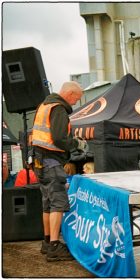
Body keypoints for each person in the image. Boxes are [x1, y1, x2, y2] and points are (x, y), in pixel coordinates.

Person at [32, 81, 86, 262]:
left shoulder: (44, 105)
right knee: (58, 203)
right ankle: (55, 246)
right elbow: (59, 138)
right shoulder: (59, 109)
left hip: (40, 161)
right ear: (69, 94)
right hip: (51, 161)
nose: (75, 103)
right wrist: (76, 143)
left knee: (47, 202)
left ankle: (47, 242)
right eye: (76, 99)